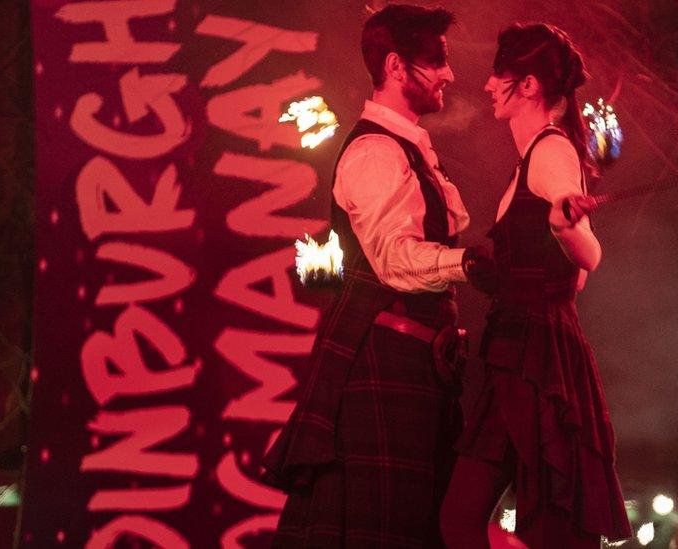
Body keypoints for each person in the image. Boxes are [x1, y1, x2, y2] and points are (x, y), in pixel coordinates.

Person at [260, 4, 495, 547]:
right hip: (381, 365)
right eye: (436, 60)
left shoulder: (409, 148)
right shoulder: (372, 152)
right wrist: (468, 264)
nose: (450, 73)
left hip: (415, 369)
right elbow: (393, 259)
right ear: (395, 66)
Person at [439, 23, 632, 548]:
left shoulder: (552, 152)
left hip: (539, 360)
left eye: (498, 72)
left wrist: (566, 225)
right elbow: (576, 276)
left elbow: (587, 258)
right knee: (464, 518)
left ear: (526, 85)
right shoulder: (530, 161)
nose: (486, 85)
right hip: (516, 354)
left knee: (547, 525)